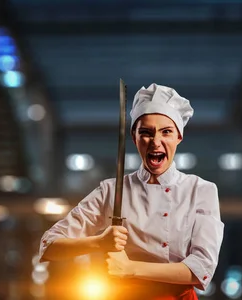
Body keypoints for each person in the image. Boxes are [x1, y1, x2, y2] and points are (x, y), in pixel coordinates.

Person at [38, 83, 224, 299]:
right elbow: (49, 246)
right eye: (145, 132)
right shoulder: (111, 190)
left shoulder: (201, 191)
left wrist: (130, 268)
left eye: (166, 132)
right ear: (134, 137)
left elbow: (202, 269)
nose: (156, 142)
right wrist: (97, 242)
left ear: (178, 137)